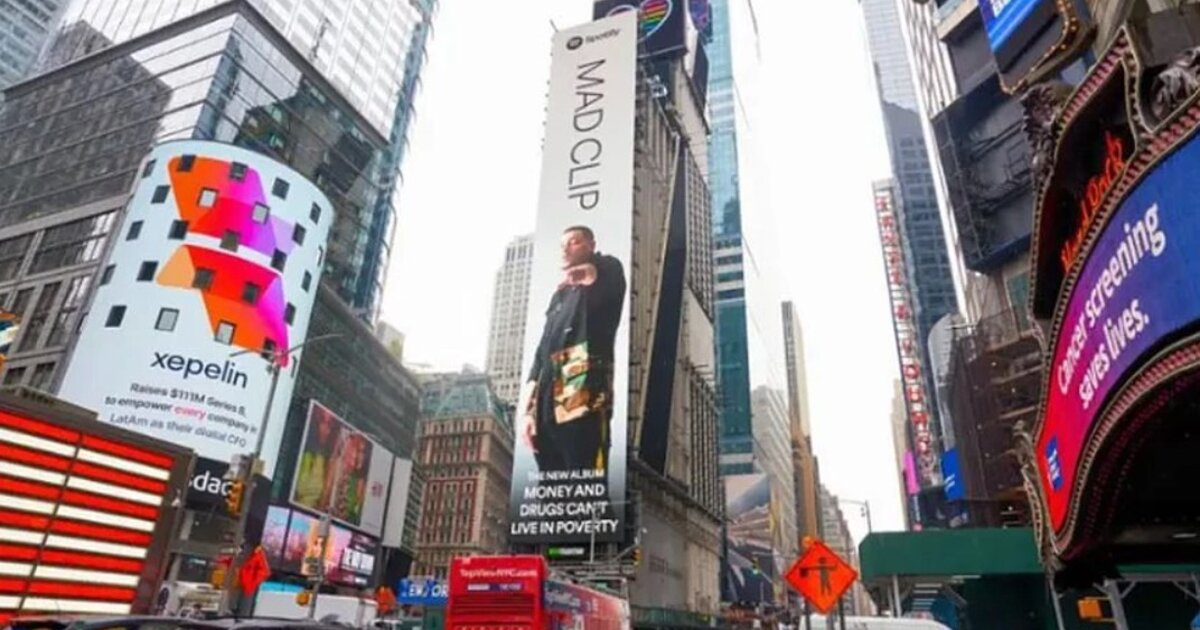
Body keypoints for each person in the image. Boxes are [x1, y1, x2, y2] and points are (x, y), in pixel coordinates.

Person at [522, 225, 626, 473]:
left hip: (583, 388)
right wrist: (528, 412)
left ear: (591, 245)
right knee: (551, 486)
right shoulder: (559, 295)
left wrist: (581, 273)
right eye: (562, 245)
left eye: (573, 242)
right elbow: (541, 352)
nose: (565, 249)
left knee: (585, 478)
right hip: (546, 399)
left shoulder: (608, 268)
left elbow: (594, 273)